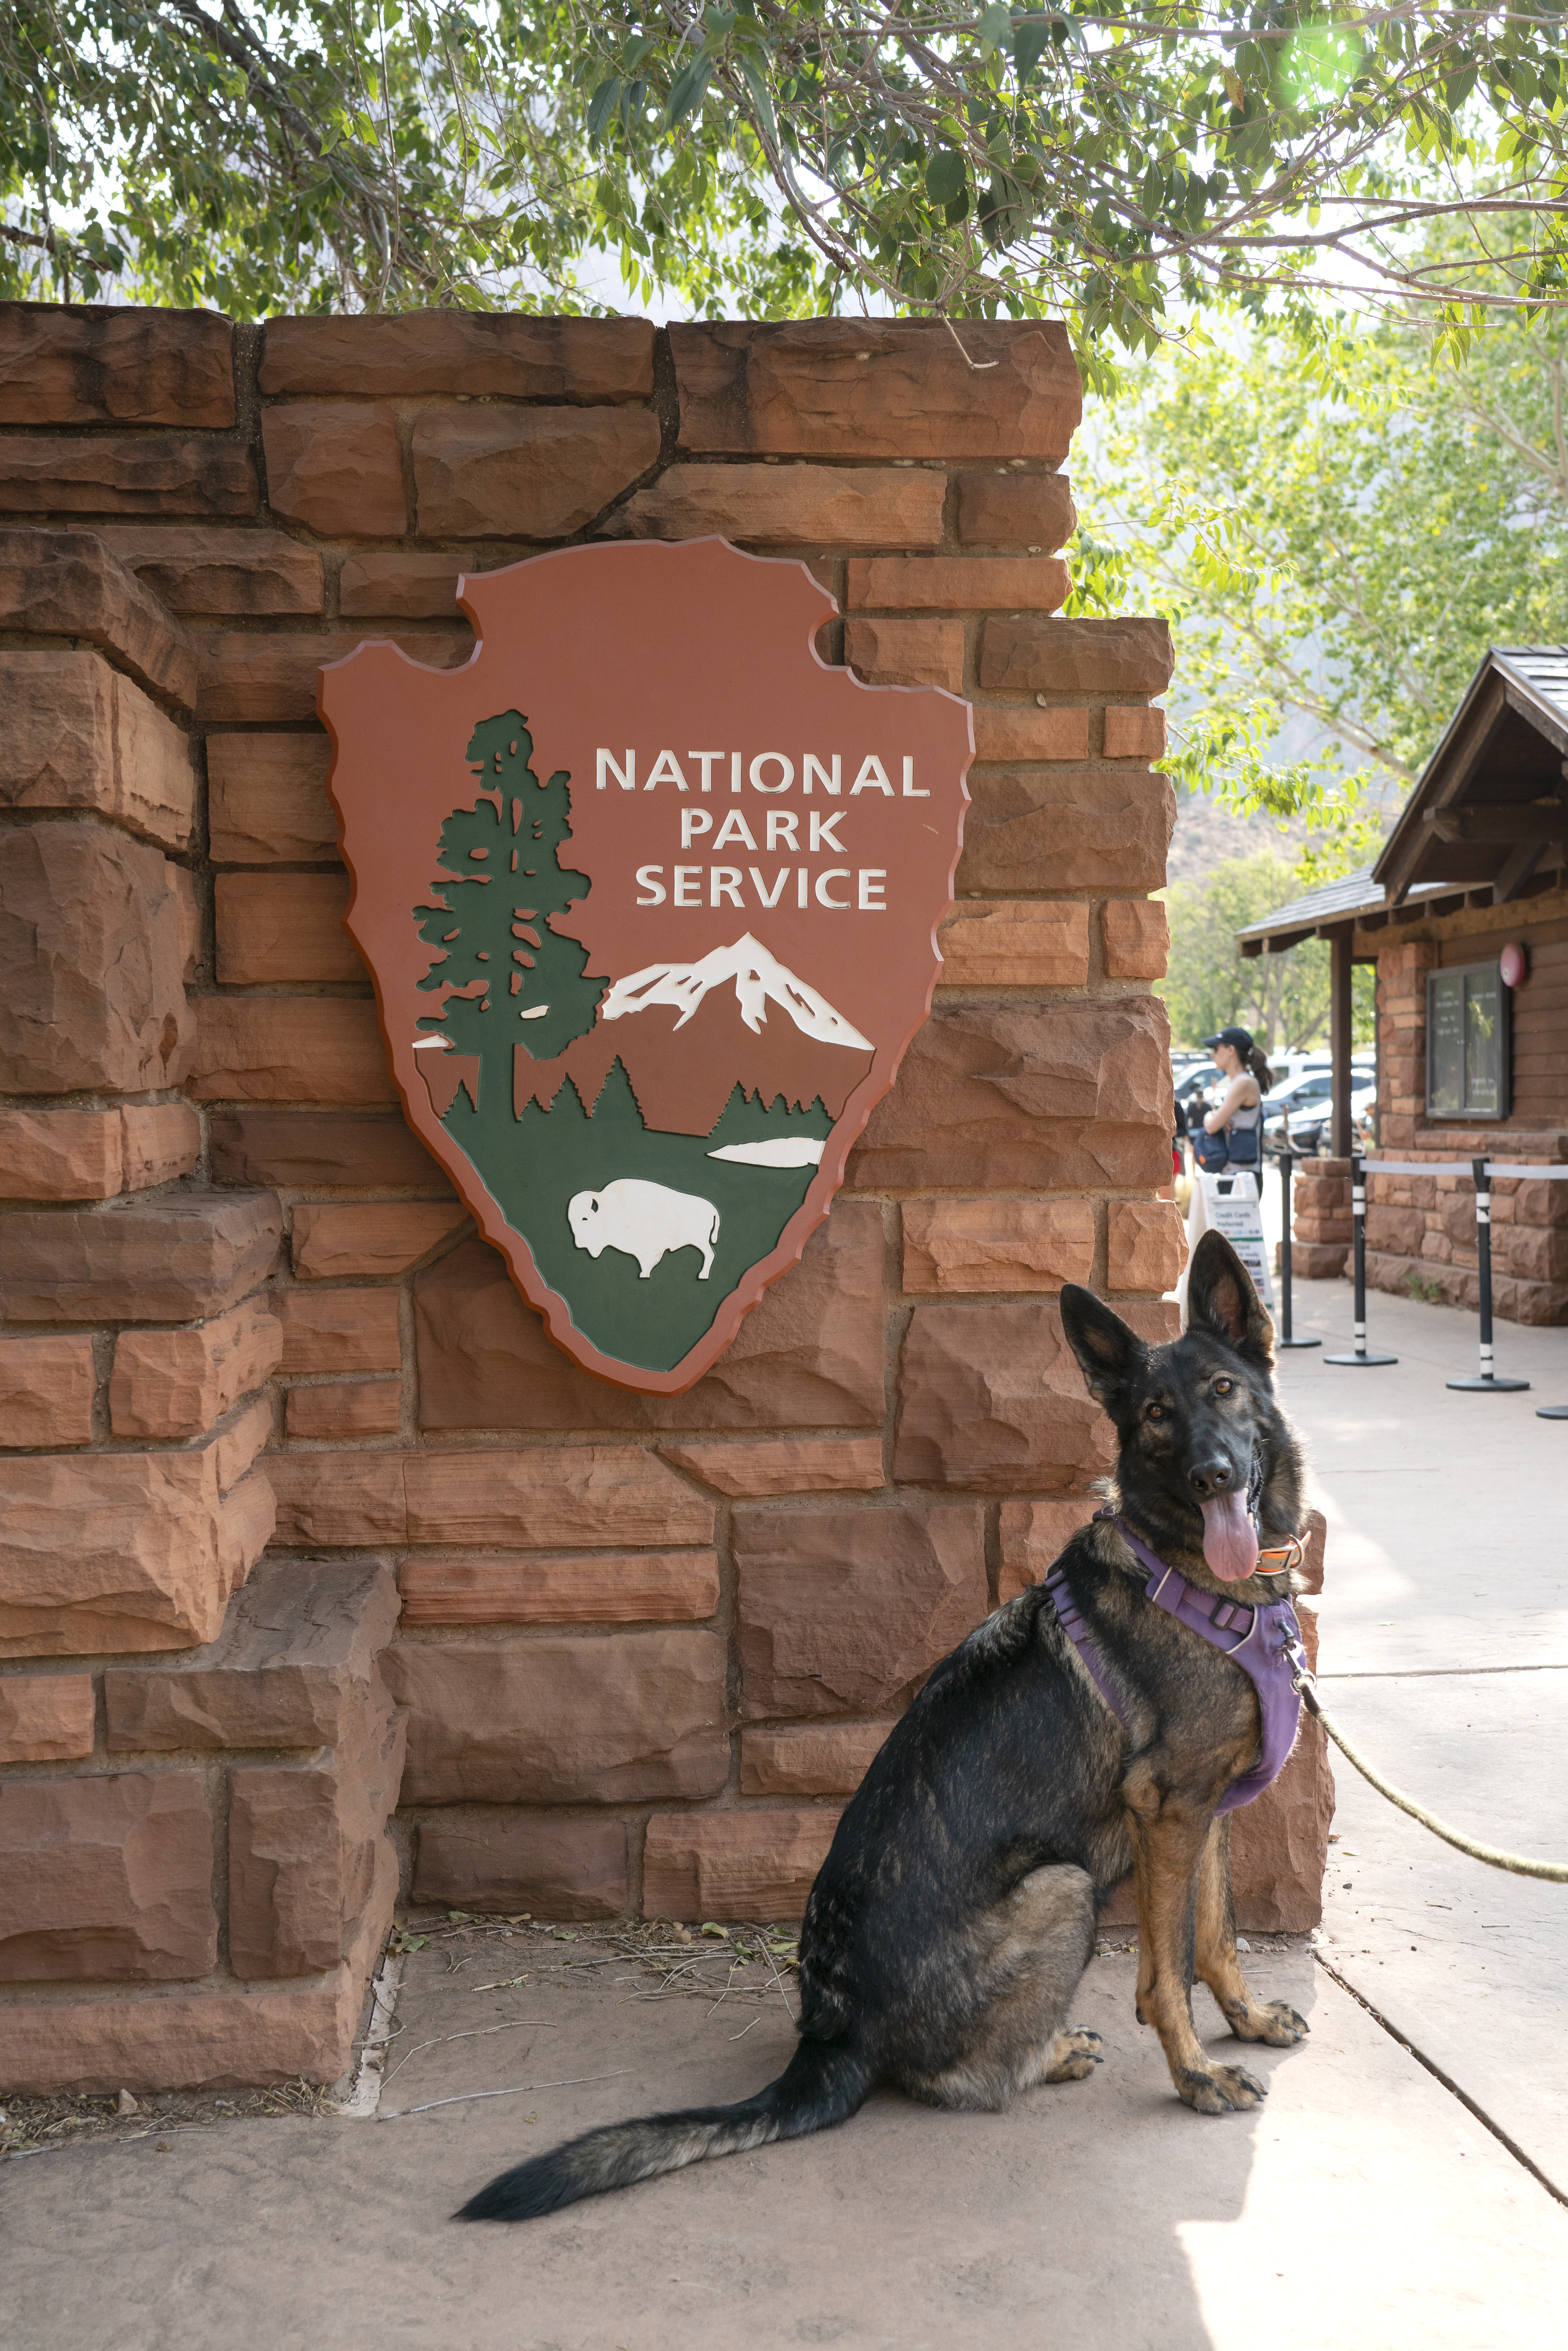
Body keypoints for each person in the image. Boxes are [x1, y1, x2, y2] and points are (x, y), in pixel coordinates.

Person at [1195, 1026, 1273, 1187]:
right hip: (1236, 1175)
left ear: (1231, 1050)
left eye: (1216, 1049)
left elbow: (1211, 1126)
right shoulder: (1240, 1082)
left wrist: (1209, 1116)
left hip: (1243, 1178)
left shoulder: (1244, 1083)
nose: (1213, 1054)